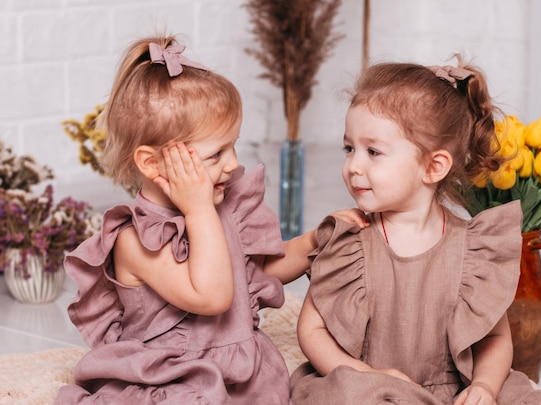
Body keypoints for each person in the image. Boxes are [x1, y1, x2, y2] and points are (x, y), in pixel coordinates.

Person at [54, 35, 367, 404]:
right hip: (172, 375)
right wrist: (199, 209)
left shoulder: (226, 207)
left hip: (241, 370)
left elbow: (256, 273)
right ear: (153, 165)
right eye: (216, 153)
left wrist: (314, 240)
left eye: (233, 145)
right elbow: (214, 296)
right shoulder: (135, 240)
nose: (233, 164)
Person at [290, 59, 541, 404]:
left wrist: (483, 387)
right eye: (349, 149)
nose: (353, 166)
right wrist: (361, 373)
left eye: (373, 152)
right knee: (339, 394)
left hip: (454, 386)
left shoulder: (473, 249)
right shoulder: (349, 240)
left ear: (433, 167)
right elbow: (312, 330)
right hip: (369, 384)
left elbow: (494, 340)